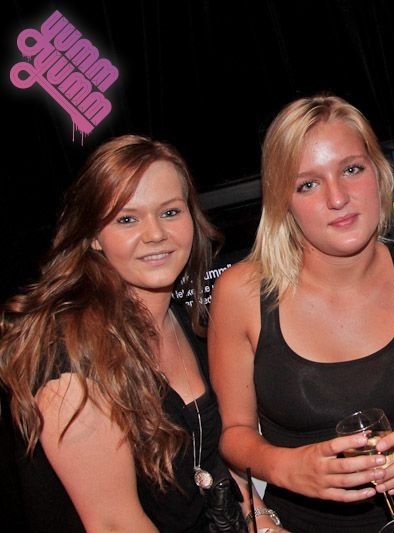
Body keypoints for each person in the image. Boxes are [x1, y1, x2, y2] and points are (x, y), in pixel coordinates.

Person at [207, 94, 394, 533]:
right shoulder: (242, 293)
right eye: (307, 185)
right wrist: (285, 466)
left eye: (351, 169)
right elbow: (234, 434)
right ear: (282, 200)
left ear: (378, 171)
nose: (338, 198)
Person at [0, 134, 282, 532]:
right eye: (127, 219)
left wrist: (264, 523)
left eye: (170, 212)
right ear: (93, 236)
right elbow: (115, 523)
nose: (155, 234)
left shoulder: (186, 323)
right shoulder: (71, 360)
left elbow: (219, 463)